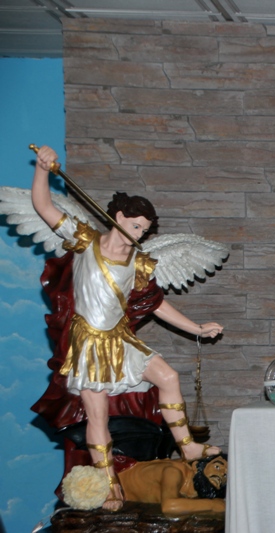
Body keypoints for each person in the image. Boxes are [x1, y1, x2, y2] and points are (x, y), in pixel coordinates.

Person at [30, 146, 225, 511]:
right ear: (118, 216)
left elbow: (155, 304)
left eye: (144, 231)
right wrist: (42, 169)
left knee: (168, 376)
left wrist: (196, 328)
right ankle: (108, 485)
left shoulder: (138, 262)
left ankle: (187, 446)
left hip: (120, 340)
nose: (139, 235)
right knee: (98, 415)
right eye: (136, 226)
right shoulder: (85, 240)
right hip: (89, 344)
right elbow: (43, 206)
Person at [116, 455, 227, 516]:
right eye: (217, 467)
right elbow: (169, 506)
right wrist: (212, 505)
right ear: (196, 465)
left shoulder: (190, 486)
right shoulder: (173, 472)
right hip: (112, 485)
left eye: (226, 475)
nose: (221, 474)